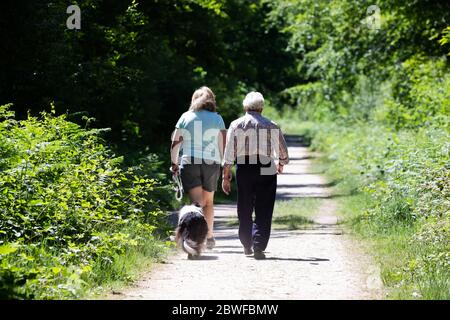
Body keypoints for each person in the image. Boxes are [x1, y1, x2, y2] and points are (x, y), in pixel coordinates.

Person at [222, 92, 289, 259]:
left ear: (245, 106)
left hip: (244, 166)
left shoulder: (236, 125)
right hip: (266, 165)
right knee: (264, 207)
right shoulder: (271, 125)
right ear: (261, 107)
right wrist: (281, 163)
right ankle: (258, 245)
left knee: (244, 206)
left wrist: (226, 174)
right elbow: (282, 150)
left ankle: (246, 244)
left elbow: (230, 151)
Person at [170, 86, 227, 249]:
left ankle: (194, 238)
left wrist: (174, 163)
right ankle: (209, 236)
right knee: (208, 202)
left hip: (190, 161)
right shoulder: (217, 118)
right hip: (211, 162)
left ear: (194, 100)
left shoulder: (185, 117)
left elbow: (175, 142)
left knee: (197, 202)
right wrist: (224, 164)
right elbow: (223, 144)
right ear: (211, 101)